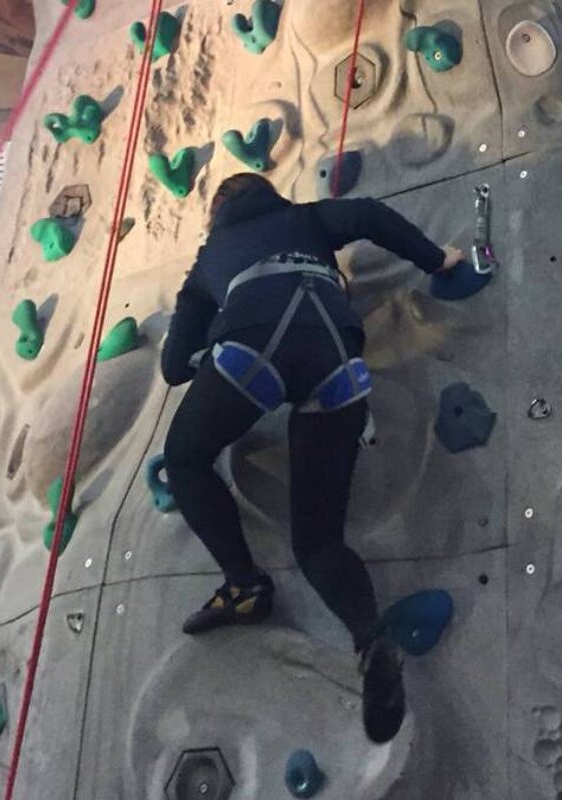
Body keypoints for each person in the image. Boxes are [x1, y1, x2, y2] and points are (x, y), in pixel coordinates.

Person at [160, 173, 461, 743]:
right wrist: (437, 260)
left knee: (186, 458)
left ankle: (244, 587)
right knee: (319, 541)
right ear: (268, 194)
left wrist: (209, 341)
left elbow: (174, 367)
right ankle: (369, 637)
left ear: (217, 210)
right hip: (337, 356)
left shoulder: (211, 256)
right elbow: (370, 213)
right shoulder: (306, 219)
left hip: (253, 349)